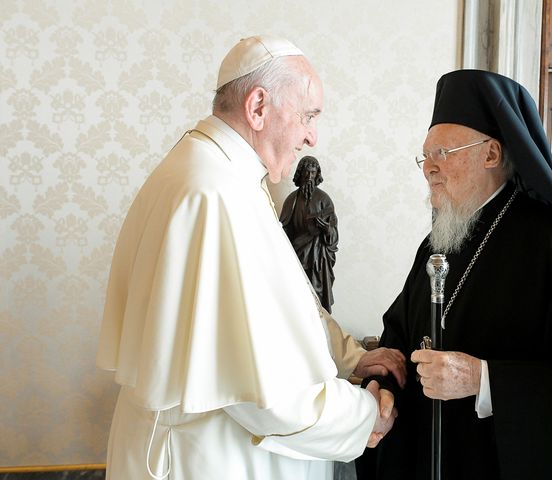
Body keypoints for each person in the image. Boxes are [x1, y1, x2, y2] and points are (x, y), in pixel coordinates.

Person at [96, 35, 406, 480]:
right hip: (206, 460)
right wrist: (362, 415)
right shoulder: (214, 193)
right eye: (307, 116)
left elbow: (284, 299)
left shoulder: (220, 172)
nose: (311, 136)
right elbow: (264, 397)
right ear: (258, 106)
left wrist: (347, 356)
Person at [356, 70, 552, 479]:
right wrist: (385, 389)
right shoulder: (437, 244)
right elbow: (400, 335)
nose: (428, 168)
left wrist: (485, 380)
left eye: (442, 153)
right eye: (425, 156)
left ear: (492, 154)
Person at [280, 155, 339, 312]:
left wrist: (326, 229)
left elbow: (333, 234)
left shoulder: (324, 200)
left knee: (316, 298)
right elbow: (283, 229)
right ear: (300, 173)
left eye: (313, 173)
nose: (309, 177)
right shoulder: (291, 200)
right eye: (306, 172)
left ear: (317, 174)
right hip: (295, 256)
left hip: (317, 259)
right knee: (296, 297)